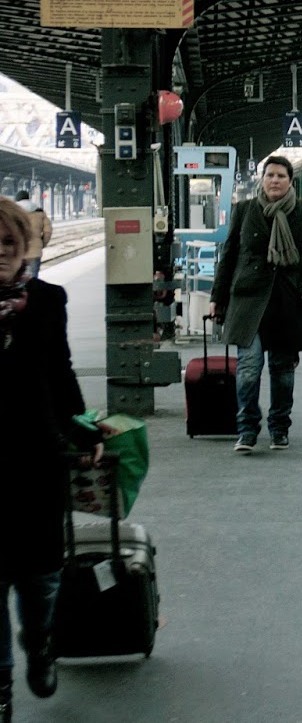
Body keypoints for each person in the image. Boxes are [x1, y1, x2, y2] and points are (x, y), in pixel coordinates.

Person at [0, 197, 102, 723]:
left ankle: (38, 642)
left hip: (36, 457)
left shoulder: (46, 301)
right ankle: (0, 687)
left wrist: (82, 430)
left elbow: (60, 374)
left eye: (7, 245)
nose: (0, 255)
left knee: (40, 575)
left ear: (24, 250)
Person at [209, 155, 302, 453]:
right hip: (249, 302)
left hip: (288, 302)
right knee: (249, 368)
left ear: (290, 181)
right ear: (262, 179)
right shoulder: (245, 210)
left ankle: (279, 429)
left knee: (282, 371)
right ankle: (247, 430)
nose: (275, 180)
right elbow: (230, 255)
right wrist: (217, 299)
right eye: (270, 175)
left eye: (281, 176)